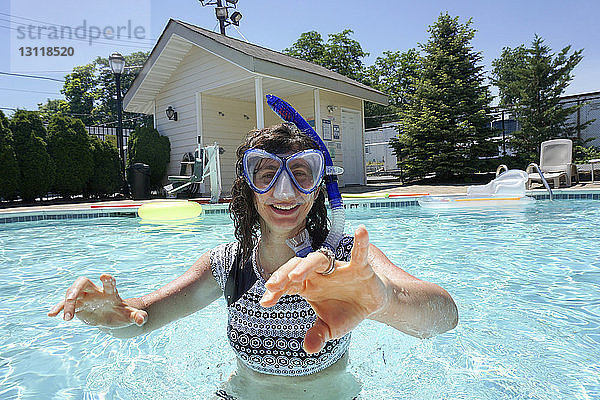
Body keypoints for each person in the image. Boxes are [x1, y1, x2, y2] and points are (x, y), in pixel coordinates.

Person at [48, 124, 458, 399]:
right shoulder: (225, 264)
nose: (285, 191)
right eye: (266, 175)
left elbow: (445, 316)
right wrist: (110, 316)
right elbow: (143, 318)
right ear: (249, 188)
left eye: (301, 173)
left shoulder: (348, 257)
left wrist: (383, 299)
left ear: (317, 188)